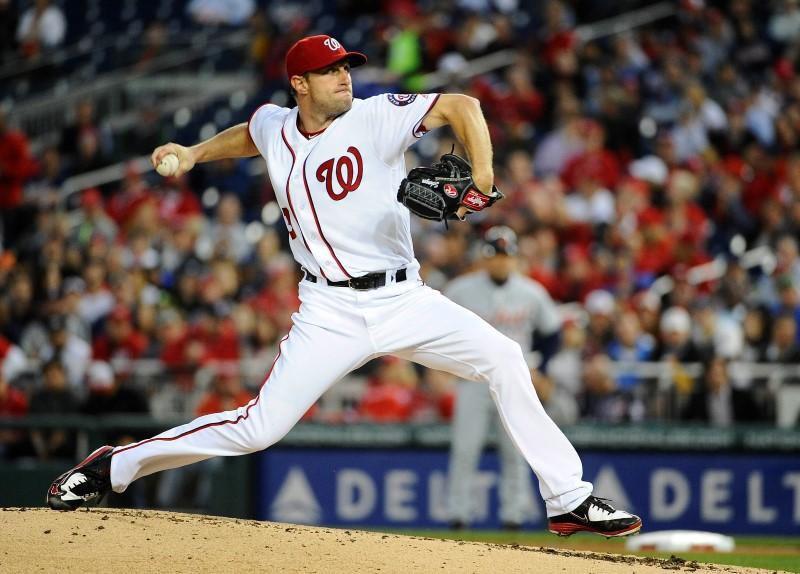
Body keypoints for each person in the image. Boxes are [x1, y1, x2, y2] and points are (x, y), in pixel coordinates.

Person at [47, 34, 641, 538]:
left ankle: (568, 500)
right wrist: (197, 153)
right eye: (329, 71)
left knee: (506, 358)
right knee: (259, 429)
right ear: (299, 85)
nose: (343, 78)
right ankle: (114, 466)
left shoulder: (377, 116)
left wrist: (481, 181)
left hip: (403, 298)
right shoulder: (276, 125)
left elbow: (463, 106)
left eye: (345, 68)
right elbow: (251, 134)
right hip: (327, 309)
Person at [445, 226, 561, 530]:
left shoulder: (532, 291)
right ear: (484, 257)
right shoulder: (460, 290)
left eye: (505, 255)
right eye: (494, 255)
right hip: (473, 379)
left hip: (513, 383)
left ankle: (513, 516)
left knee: (516, 452)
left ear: (514, 258)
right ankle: (458, 516)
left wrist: (541, 367)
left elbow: (552, 334)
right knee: (465, 449)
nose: (500, 261)